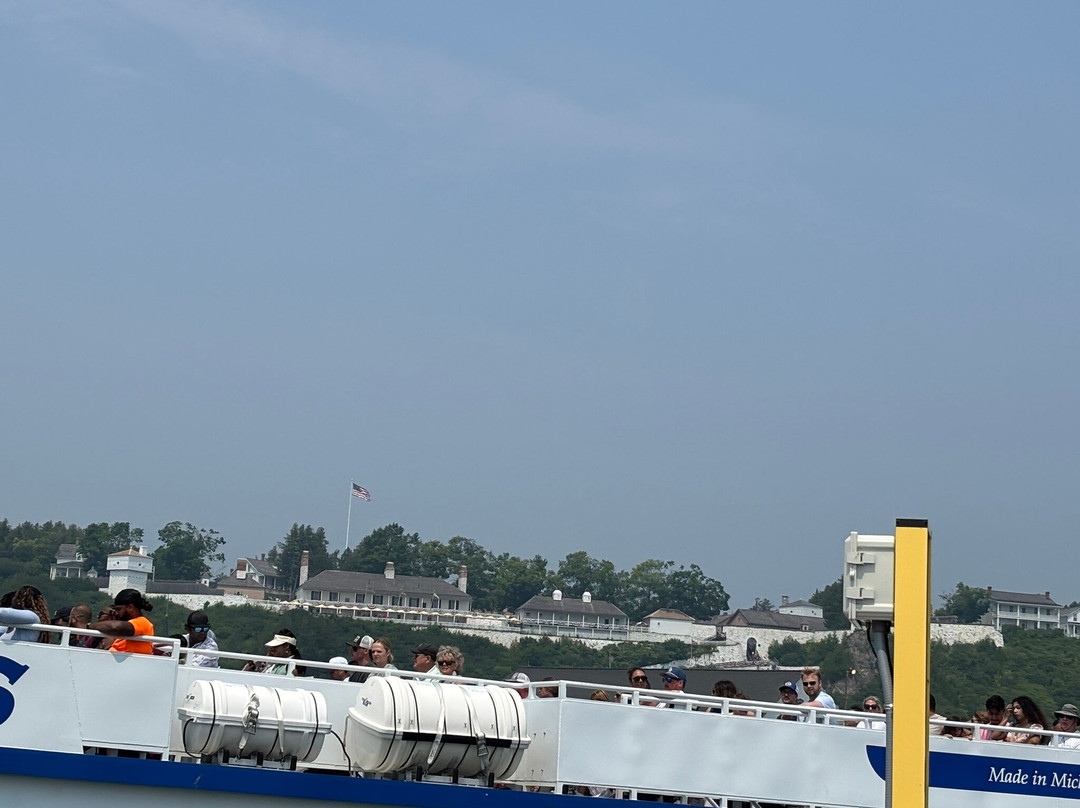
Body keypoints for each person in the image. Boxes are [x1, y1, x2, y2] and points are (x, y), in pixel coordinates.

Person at [88, 589, 155, 654]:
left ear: (130, 607)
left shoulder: (143, 622)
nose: (117, 613)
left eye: (119, 609)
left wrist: (89, 626)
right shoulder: (130, 625)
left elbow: (114, 627)